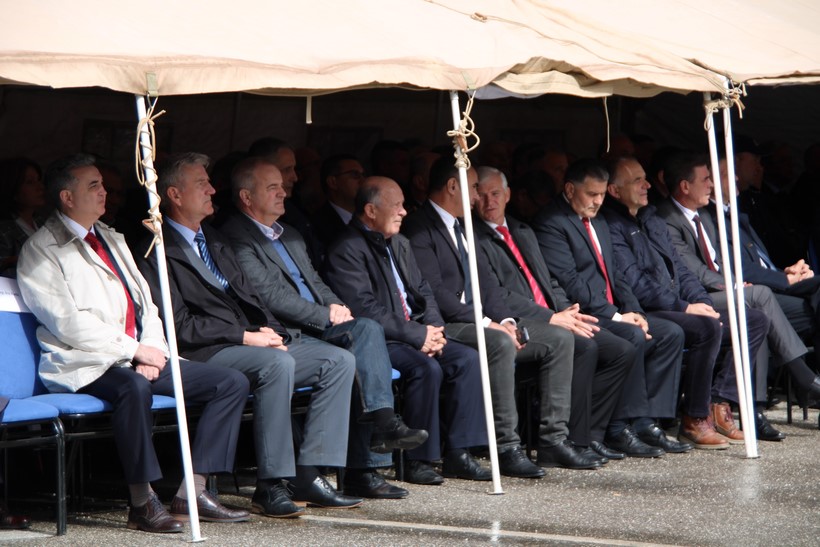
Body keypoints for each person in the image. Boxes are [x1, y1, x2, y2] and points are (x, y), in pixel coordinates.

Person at [17, 153, 250, 533]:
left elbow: (147, 305)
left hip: (139, 355)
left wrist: (151, 351)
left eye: (102, 184)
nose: (104, 192)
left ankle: (193, 491)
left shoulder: (111, 237)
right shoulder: (41, 249)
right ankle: (142, 502)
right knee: (133, 387)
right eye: (93, 185)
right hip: (86, 362)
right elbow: (66, 322)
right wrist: (133, 350)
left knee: (230, 382)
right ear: (67, 198)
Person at [138, 152, 361, 519]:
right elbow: (179, 326)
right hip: (205, 350)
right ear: (174, 195)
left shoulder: (214, 239)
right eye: (201, 184)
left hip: (249, 340)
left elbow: (252, 298)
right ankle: (271, 485)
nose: (213, 190)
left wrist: (272, 332)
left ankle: (308, 474)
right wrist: (244, 336)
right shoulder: (155, 248)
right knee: (275, 365)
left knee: (338, 360)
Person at [218, 157, 426, 498]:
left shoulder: (290, 234)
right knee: (360, 344)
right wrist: (325, 315)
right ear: (246, 197)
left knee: (365, 336)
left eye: (282, 186)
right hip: (288, 329)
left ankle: (375, 440)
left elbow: (314, 281)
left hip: (319, 322)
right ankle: (371, 449)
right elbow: (270, 296)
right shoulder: (235, 237)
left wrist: (337, 306)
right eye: (272, 187)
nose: (284, 192)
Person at [402, 157, 584, 476]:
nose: (477, 196)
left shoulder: (463, 224)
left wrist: (508, 321)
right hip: (448, 323)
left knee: (558, 338)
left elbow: (487, 285)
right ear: (452, 186)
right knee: (498, 343)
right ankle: (506, 446)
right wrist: (490, 324)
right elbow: (435, 293)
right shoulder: (420, 227)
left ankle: (553, 440)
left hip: (485, 320)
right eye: (474, 188)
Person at [325, 176, 491, 483]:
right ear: (371, 211)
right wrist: (418, 335)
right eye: (397, 206)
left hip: (417, 332)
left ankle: (459, 453)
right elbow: (364, 308)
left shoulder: (399, 243)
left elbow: (424, 291)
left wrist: (434, 329)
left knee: (467, 359)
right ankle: (419, 460)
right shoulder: (347, 248)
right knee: (426, 369)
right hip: (382, 340)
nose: (404, 212)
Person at [603, 156, 770, 448]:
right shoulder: (611, 225)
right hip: (650, 309)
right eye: (637, 181)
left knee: (753, 320)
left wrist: (702, 302)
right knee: (707, 328)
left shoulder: (651, 217)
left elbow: (681, 269)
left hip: (678, 304)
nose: (646, 185)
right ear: (615, 191)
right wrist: (685, 307)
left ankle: (719, 403)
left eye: (645, 178)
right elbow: (635, 283)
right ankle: (694, 418)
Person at [474, 166, 635, 464]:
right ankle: (570, 440)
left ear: (508, 195)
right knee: (584, 346)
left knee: (621, 349)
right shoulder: (474, 238)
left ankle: (593, 434)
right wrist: (551, 318)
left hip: (551, 313)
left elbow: (548, 281)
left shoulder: (522, 230)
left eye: (495, 193)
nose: (489, 201)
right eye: (481, 195)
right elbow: (498, 295)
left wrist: (565, 310)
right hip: (517, 320)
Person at [532, 159, 687, 458]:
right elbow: (571, 282)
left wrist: (636, 312)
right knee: (632, 337)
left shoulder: (600, 221)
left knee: (670, 333)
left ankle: (646, 422)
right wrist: (617, 315)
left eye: (602, 194)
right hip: (585, 312)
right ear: (569, 189)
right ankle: (617, 427)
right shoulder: (552, 222)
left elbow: (617, 276)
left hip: (613, 309)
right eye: (591, 194)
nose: (598, 201)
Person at [655, 151, 814, 440]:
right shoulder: (667, 218)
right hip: (697, 297)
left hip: (720, 289)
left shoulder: (704, 215)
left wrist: (750, 280)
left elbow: (724, 260)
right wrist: (735, 286)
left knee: (757, 314)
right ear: (685, 186)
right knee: (759, 297)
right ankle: (799, 380)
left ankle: (756, 407)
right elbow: (694, 272)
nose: (711, 185)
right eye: (706, 179)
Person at [0, 157, 46, 277]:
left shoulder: (43, 223)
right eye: (30, 182)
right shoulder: (4, 231)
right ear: (13, 189)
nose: (40, 187)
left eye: (38, 180)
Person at [310, 154, 366, 251]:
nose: (363, 181)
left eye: (363, 175)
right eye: (355, 175)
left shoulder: (370, 217)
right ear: (333, 182)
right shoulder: (316, 226)